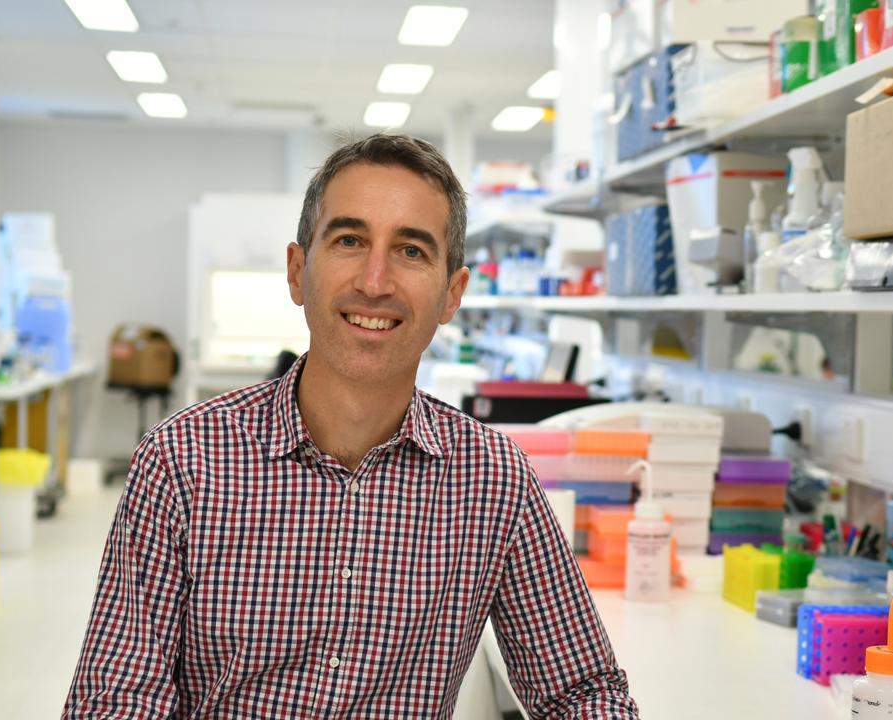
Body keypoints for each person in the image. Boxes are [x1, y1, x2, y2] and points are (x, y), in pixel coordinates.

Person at [63, 134, 638, 719]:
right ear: (296, 271)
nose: (375, 279)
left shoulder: (494, 482)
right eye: (348, 240)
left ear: (452, 294)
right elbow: (116, 700)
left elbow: (583, 691)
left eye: (412, 251)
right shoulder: (183, 460)